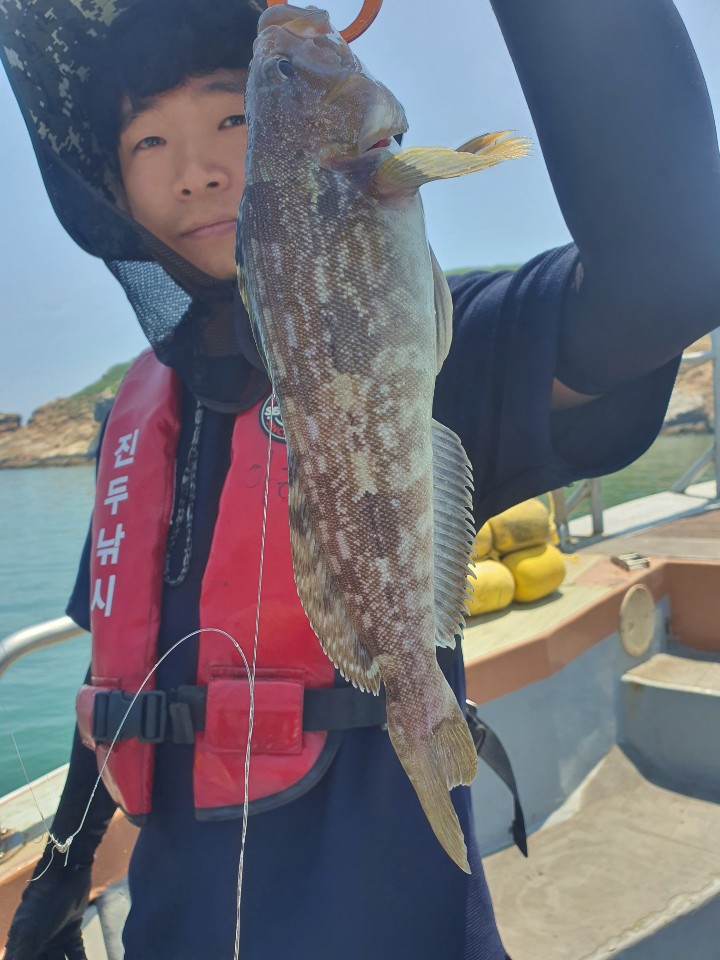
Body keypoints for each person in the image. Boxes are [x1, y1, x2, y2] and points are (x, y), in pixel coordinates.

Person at [2, 0, 720, 957]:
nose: (197, 168)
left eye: (235, 115)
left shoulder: (423, 350)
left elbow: (671, 275)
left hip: (395, 923)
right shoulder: (134, 423)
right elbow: (115, 685)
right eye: (148, 140)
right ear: (112, 187)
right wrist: (63, 865)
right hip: (166, 927)